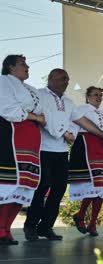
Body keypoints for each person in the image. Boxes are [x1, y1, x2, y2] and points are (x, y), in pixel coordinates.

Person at [25, 70, 103, 241]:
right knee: (42, 187)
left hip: (62, 152)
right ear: (50, 78)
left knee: (58, 189)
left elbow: (84, 122)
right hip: (43, 148)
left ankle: (46, 227)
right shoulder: (39, 95)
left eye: (67, 79)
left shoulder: (68, 102)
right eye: (62, 78)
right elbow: (39, 117)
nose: (66, 81)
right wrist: (63, 132)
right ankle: (30, 226)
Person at [0, 55, 45, 245]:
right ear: (10, 67)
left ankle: (7, 228)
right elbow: (7, 109)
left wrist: (36, 118)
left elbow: (44, 114)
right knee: (10, 183)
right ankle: (1, 229)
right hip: (11, 137)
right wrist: (34, 117)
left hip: (31, 141)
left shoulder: (32, 89)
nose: (27, 66)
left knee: (25, 186)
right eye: (22, 64)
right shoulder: (3, 81)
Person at [69, 86, 103, 236]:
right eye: (95, 94)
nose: (99, 97)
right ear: (88, 96)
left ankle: (93, 222)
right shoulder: (81, 109)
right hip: (86, 146)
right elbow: (75, 127)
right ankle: (81, 215)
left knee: (102, 186)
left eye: (101, 95)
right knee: (92, 184)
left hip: (101, 148)